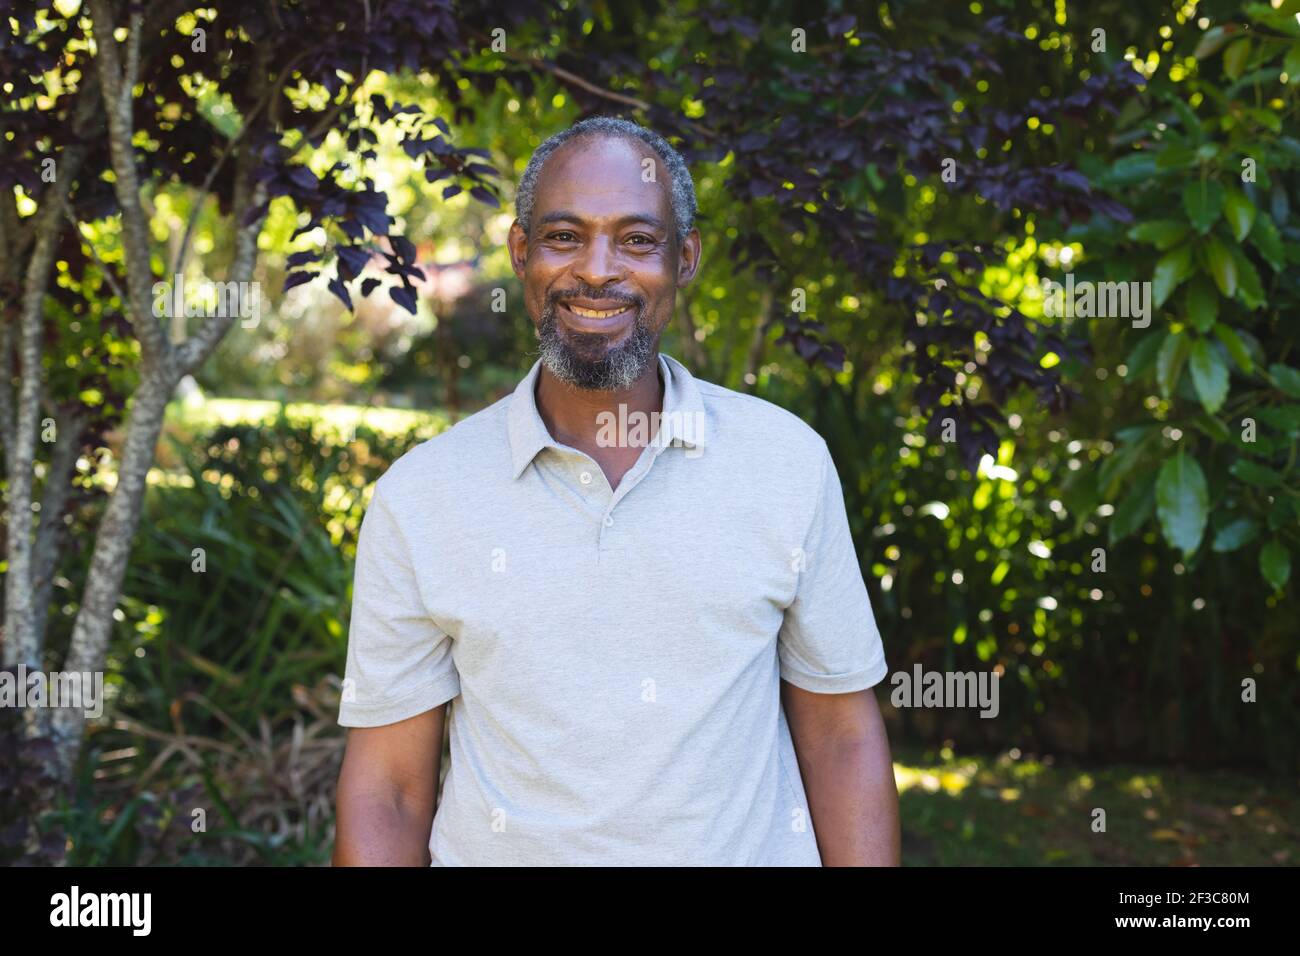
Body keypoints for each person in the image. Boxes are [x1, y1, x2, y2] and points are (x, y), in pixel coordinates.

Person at [332, 116, 899, 866]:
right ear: (521, 252)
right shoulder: (422, 497)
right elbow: (389, 789)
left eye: (637, 240)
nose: (598, 270)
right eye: (565, 236)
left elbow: (841, 736)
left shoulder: (786, 463)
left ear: (685, 258)